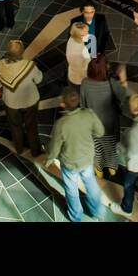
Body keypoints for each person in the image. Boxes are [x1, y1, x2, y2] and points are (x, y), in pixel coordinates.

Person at [46, 87, 106, 222]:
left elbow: (55, 147)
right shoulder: (89, 114)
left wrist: (50, 158)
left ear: (63, 104)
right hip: (87, 159)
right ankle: (98, 211)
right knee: (91, 183)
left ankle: (76, 216)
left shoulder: (61, 124)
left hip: (69, 163)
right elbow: (100, 132)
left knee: (71, 189)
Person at [0, 39, 43, 157]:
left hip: (11, 103)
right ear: (22, 52)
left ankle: (19, 148)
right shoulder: (29, 65)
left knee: (15, 126)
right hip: (30, 101)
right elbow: (39, 79)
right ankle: (36, 151)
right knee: (31, 126)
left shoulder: (0, 65)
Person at [79, 56, 120, 176]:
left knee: (97, 149)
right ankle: (112, 169)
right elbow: (120, 99)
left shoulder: (85, 83)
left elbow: (82, 104)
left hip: (93, 125)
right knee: (111, 148)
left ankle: (99, 169)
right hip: (110, 124)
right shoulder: (111, 83)